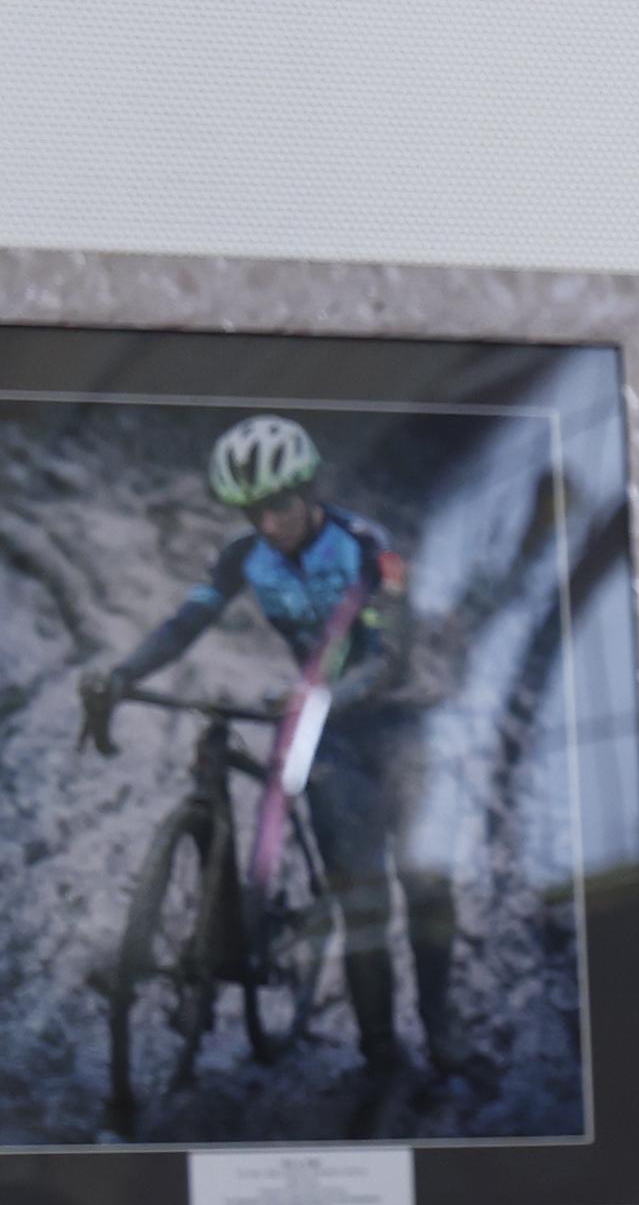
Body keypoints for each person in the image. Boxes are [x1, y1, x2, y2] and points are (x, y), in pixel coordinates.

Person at [81, 415, 459, 1091]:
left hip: (396, 725)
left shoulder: (367, 548)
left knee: (425, 883)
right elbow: (183, 624)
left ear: (308, 491)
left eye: (279, 504)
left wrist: (319, 698)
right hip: (330, 737)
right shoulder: (242, 557)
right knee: (360, 897)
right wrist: (122, 675)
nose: (268, 523)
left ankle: (441, 1025)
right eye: (251, 511)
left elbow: (390, 659)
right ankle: (381, 1054)